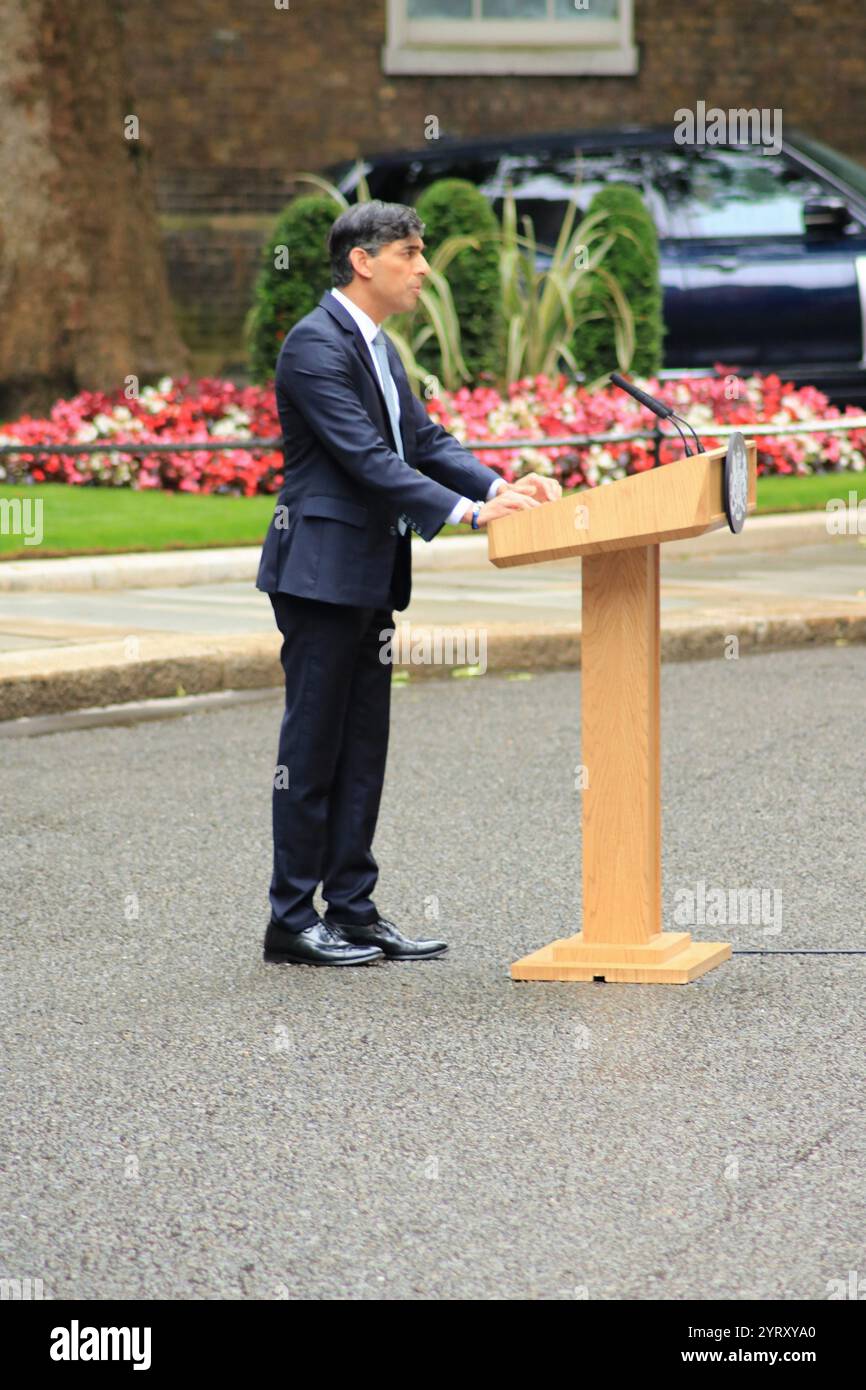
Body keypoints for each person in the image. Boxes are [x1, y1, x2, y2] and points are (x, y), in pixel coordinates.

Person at [256, 199, 561, 966]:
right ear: (364, 261)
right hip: (320, 576)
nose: (425, 269)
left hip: (368, 576)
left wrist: (499, 488)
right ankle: (292, 919)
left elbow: (421, 440)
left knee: (363, 749)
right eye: (411, 254)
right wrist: (467, 513)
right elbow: (366, 458)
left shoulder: (377, 347)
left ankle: (352, 909)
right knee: (313, 748)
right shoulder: (314, 346)